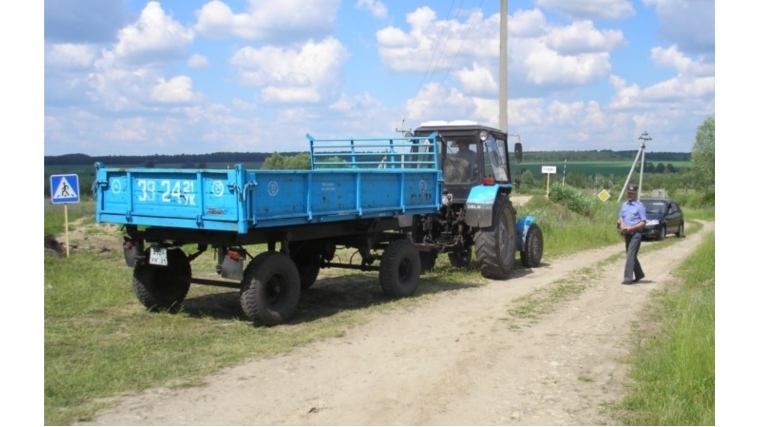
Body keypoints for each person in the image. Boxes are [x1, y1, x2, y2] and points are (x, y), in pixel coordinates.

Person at [617, 184, 647, 284]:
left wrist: (631, 228)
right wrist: (622, 224)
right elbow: (621, 217)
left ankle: (628, 278)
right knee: (631, 255)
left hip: (636, 234)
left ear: (635, 194)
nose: (630, 195)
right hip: (627, 233)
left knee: (630, 255)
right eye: (629, 193)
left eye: (632, 193)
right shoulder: (624, 205)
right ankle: (639, 274)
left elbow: (643, 222)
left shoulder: (639, 206)